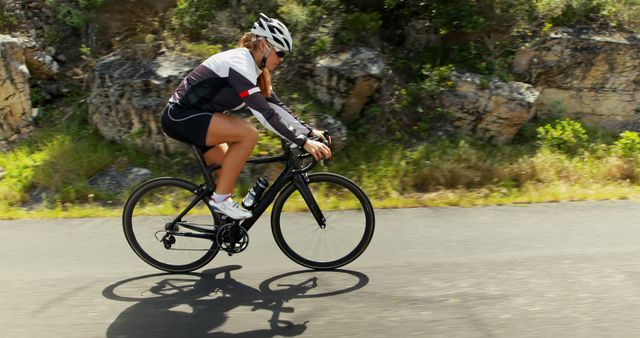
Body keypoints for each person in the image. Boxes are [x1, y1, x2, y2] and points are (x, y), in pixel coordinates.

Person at [161, 13, 332, 220]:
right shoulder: (239, 64)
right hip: (181, 116)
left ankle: (223, 227)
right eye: (279, 53)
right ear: (263, 45)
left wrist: (309, 131)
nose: (281, 59)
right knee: (248, 134)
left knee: (229, 169)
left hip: (199, 118)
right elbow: (265, 114)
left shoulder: (255, 71)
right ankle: (221, 201)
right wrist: (303, 142)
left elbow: (275, 106)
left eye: (284, 55)